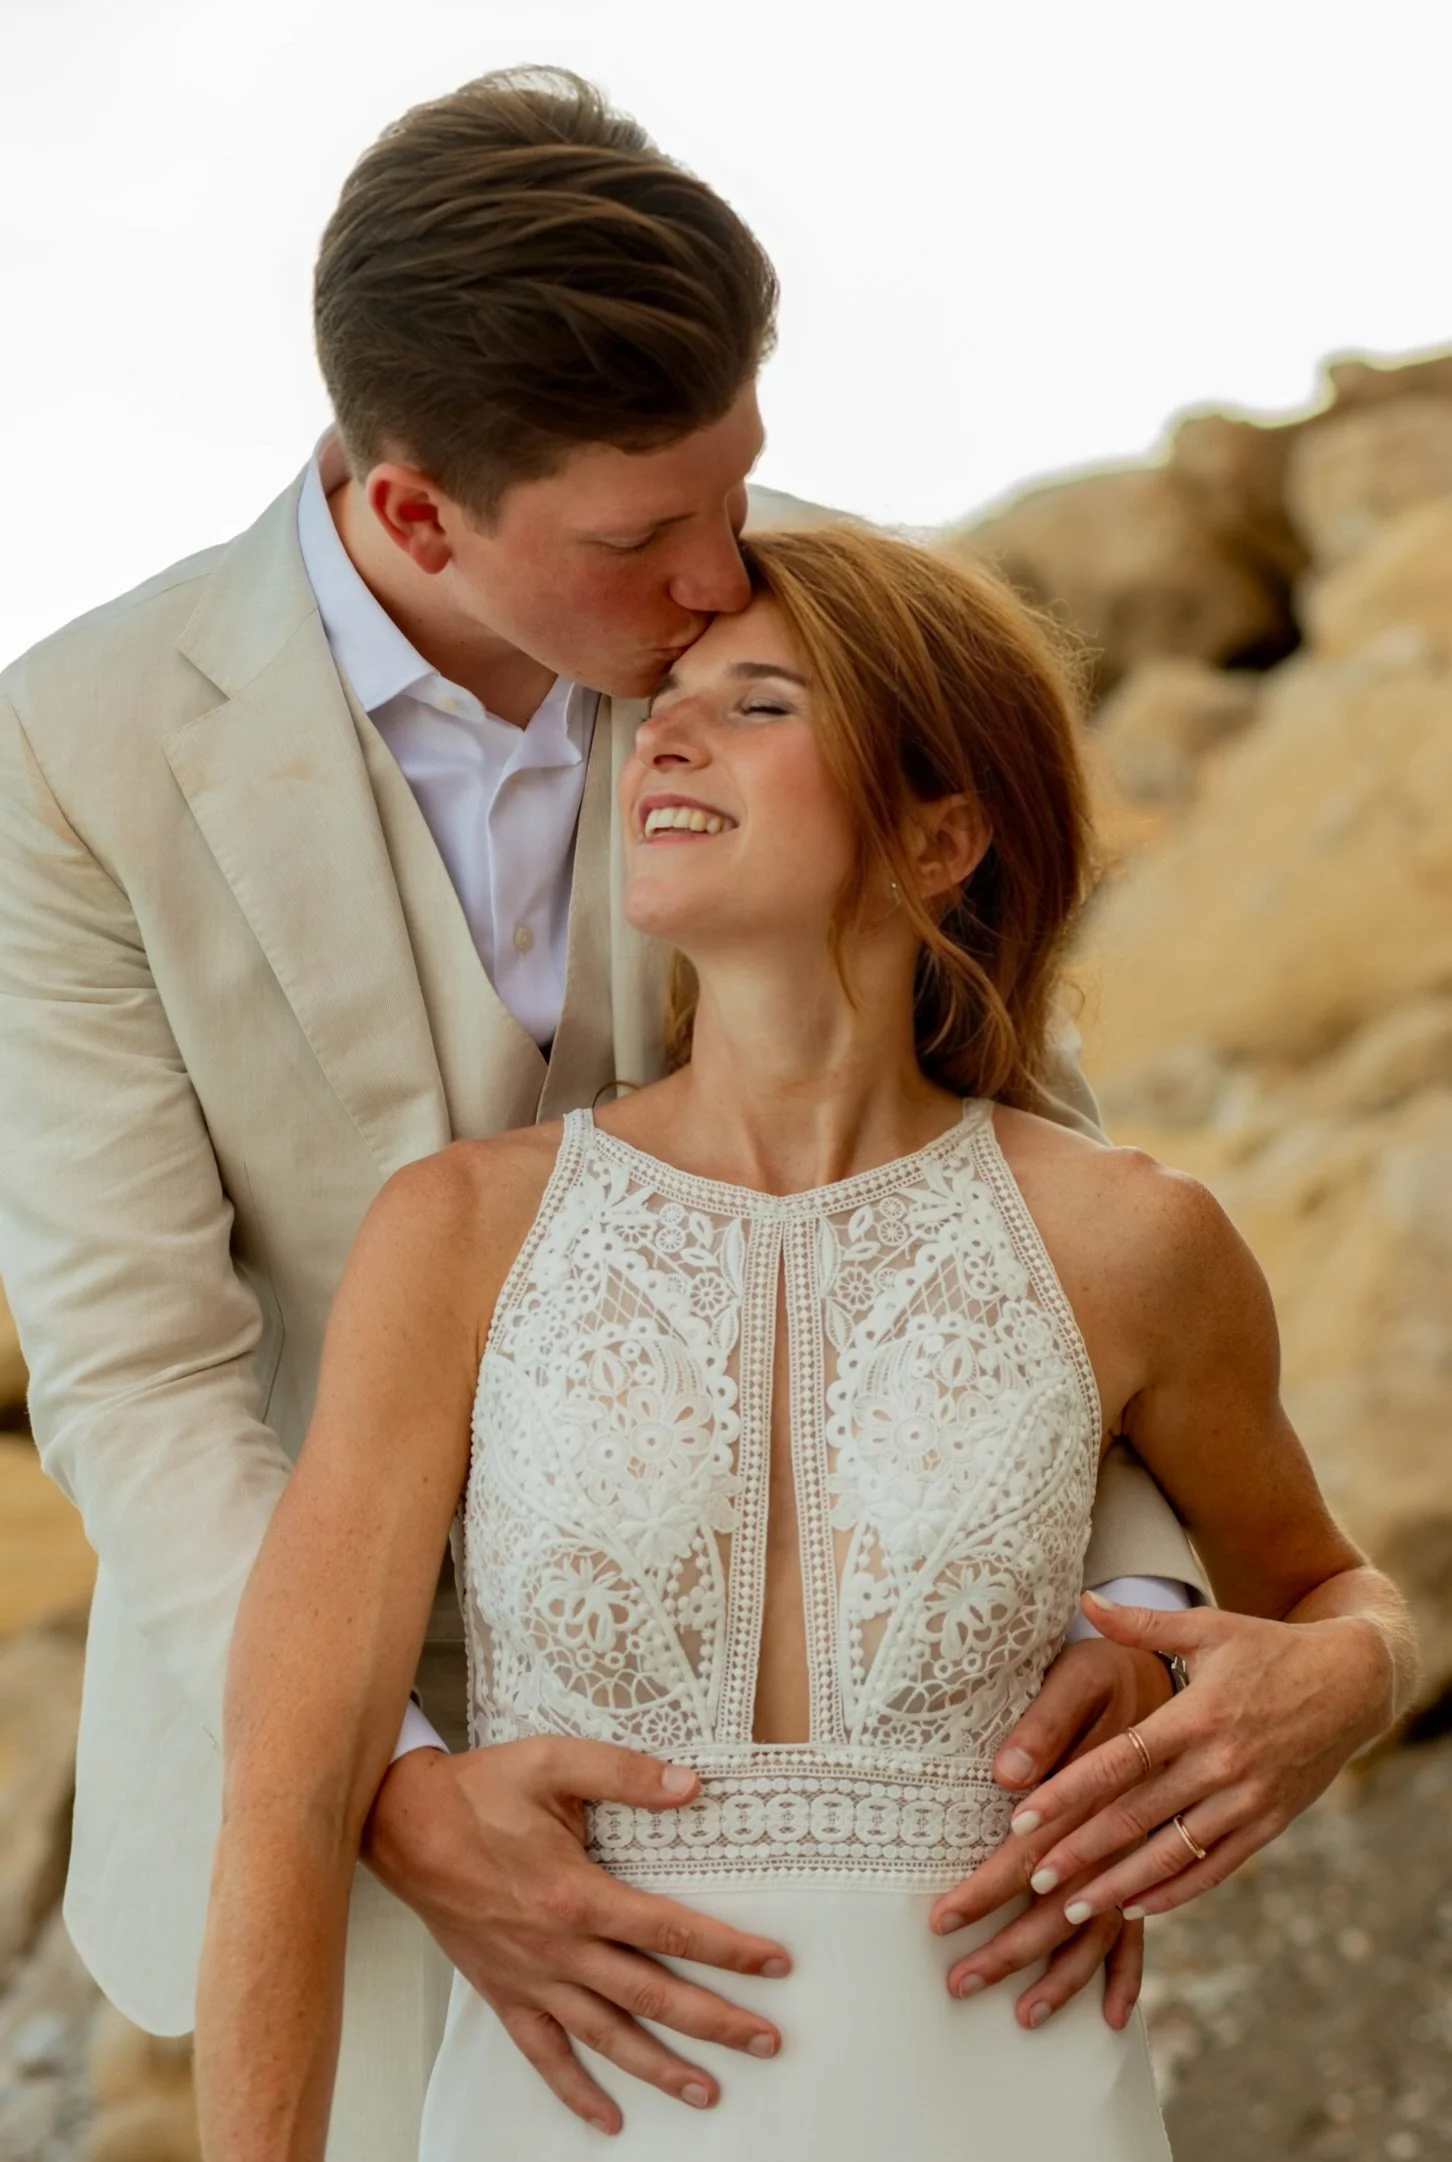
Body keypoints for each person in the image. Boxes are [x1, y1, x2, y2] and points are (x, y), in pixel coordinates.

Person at [0, 68, 1400, 2161]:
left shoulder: (806, 625)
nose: (724, 572)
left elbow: (1022, 1200)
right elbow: (141, 1371)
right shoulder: (79, 749)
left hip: (928, 1867)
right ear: (413, 515)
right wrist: (380, 1779)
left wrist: (1145, 1656)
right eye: (649, 542)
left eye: (737, 485)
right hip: (329, 1769)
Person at [194, 521, 1415, 2160]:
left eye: (760, 704)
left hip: (1012, 2104)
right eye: (668, 700)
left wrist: (1353, 1675)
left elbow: (1320, 1585)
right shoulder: (463, 1234)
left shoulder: (1134, 1241)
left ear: (942, 832)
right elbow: (285, 1800)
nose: (668, 735)